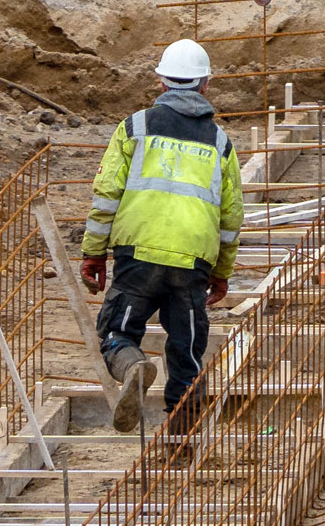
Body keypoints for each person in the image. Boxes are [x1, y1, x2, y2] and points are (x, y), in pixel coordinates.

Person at [81, 39, 243, 432]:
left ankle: (133, 364)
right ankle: (183, 437)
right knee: (186, 351)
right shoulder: (220, 143)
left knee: (118, 333)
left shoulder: (134, 127)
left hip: (138, 255)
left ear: (160, 80)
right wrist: (221, 272)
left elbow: (107, 196)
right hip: (192, 263)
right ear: (205, 85)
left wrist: (94, 253)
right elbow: (231, 217)